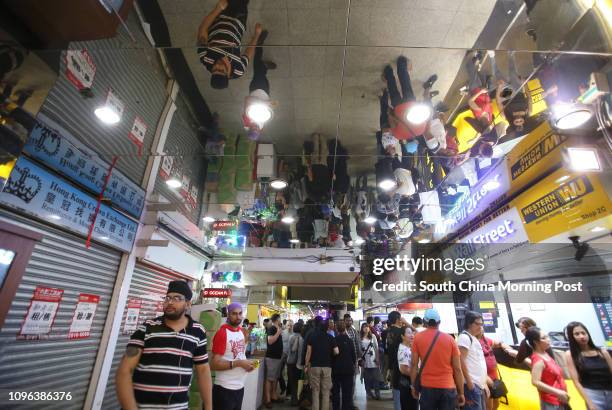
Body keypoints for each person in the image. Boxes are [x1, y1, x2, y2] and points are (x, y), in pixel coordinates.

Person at [116, 281, 212, 410]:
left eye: (177, 298)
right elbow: (124, 371)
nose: (170, 302)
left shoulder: (197, 331)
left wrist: (209, 406)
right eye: (168, 298)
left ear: (188, 304)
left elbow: (203, 370)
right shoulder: (147, 328)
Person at [197, 0, 263, 89]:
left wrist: (217, 9)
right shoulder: (238, 70)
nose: (218, 65)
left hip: (221, 16)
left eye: (214, 69)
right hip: (240, 21)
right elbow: (248, 54)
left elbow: (202, 29)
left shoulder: (205, 58)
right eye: (221, 70)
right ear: (228, 75)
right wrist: (256, 36)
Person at [410, 308, 465, 410]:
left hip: (427, 388)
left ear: (424, 322)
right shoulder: (450, 340)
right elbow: (457, 369)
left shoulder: (417, 338)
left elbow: (414, 365)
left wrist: (413, 386)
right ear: (439, 322)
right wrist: (461, 392)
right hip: (448, 387)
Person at [211, 303, 255, 410]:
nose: (238, 317)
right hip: (224, 388)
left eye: (240, 313)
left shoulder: (241, 332)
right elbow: (214, 364)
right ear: (228, 314)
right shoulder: (222, 333)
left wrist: (247, 366)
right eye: (234, 314)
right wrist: (239, 363)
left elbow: (240, 355)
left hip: (239, 387)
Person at [564, 321, 612, 410]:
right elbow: (576, 381)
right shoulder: (570, 355)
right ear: (571, 337)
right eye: (577, 334)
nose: (582, 336)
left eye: (583, 333)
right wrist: (589, 403)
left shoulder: (603, 352)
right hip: (593, 394)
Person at [242, 29, 277, 140]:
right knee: (262, 75)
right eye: (257, 130)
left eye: (253, 128)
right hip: (266, 92)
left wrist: (264, 102)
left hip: (256, 88)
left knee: (258, 69)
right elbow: (267, 112)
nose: (256, 127)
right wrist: (270, 105)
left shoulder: (247, 119)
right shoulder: (261, 125)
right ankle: (264, 67)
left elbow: (247, 99)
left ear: (249, 128)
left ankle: (259, 42)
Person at [525, 327, 570, 410]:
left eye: (547, 337)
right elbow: (535, 382)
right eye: (543, 338)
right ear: (535, 342)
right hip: (551, 402)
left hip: (560, 400)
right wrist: (557, 392)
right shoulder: (538, 360)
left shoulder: (545, 353)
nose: (548, 339)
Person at [305, 318, 339, 410]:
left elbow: (308, 352)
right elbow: (336, 351)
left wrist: (306, 365)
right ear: (327, 328)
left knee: (315, 391)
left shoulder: (312, 337)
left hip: (315, 366)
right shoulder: (331, 338)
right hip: (327, 366)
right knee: (326, 391)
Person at [458, 311, 489, 410]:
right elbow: (460, 361)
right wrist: (470, 383)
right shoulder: (464, 337)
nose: (480, 327)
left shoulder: (473, 338)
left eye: (481, 324)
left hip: (478, 386)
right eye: (477, 324)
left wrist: (484, 384)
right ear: (469, 323)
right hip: (471, 386)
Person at [476, 328, 510, 410]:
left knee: (496, 404)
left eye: (481, 326)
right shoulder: (474, 343)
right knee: (488, 406)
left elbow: (496, 343)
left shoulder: (486, 340)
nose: (481, 328)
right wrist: (485, 378)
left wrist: (504, 346)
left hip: (494, 377)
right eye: (478, 326)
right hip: (485, 379)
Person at [332, 321, 356, 410]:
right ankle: (346, 407)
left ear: (336, 329)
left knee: (336, 391)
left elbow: (332, 355)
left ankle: (336, 407)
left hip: (336, 369)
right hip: (348, 369)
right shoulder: (349, 341)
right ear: (345, 328)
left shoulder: (334, 340)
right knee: (347, 392)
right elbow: (354, 356)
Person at [387, 311, 407, 410]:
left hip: (393, 362)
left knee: (395, 387)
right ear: (397, 319)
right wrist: (406, 323)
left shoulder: (389, 330)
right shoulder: (402, 331)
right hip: (402, 363)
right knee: (402, 387)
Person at [264, 313, 283, 408]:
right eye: (280, 318)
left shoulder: (277, 328)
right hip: (271, 357)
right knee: (269, 378)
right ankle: (267, 399)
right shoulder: (272, 328)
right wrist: (278, 333)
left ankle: (273, 396)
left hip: (277, 357)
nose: (281, 320)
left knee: (275, 378)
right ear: (277, 319)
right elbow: (270, 341)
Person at [343, 313, 362, 408]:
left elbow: (357, 343)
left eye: (350, 320)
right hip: (344, 360)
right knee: (346, 381)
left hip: (354, 360)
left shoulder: (354, 331)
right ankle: (346, 402)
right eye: (347, 320)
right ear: (344, 321)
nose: (349, 322)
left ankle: (351, 402)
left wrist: (359, 356)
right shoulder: (341, 331)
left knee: (353, 381)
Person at [398, 327, 418, 410]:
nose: (412, 335)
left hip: (410, 381)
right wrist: (418, 374)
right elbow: (404, 369)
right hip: (407, 383)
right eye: (409, 333)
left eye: (412, 333)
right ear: (402, 336)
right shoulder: (403, 350)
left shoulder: (409, 347)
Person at [360, 323, 381, 400]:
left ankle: (377, 393)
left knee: (376, 378)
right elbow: (359, 350)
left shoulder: (373, 336)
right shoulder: (360, 338)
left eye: (367, 327)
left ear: (369, 328)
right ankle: (368, 393)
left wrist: (378, 358)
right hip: (365, 360)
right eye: (364, 327)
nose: (365, 328)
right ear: (362, 329)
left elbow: (376, 348)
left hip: (373, 360)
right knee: (367, 378)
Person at [287, 322, 305, 406]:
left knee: (292, 382)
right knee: (298, 382)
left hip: (291, 362)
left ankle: (294, 400)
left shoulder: (291, 337)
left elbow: (291, 350)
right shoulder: (302, 338)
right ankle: (297, 400)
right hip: (298, 363)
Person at [280, 319, 294, 397]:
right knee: (279, 373)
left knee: (289, 374)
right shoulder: (282, 333)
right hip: (283, 354)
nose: (289, 327)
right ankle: (283, 387)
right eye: (288, 325)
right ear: (285, 325)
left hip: (290, 357)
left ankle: (288, 393)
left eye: (291, 326)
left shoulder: (295, 334)